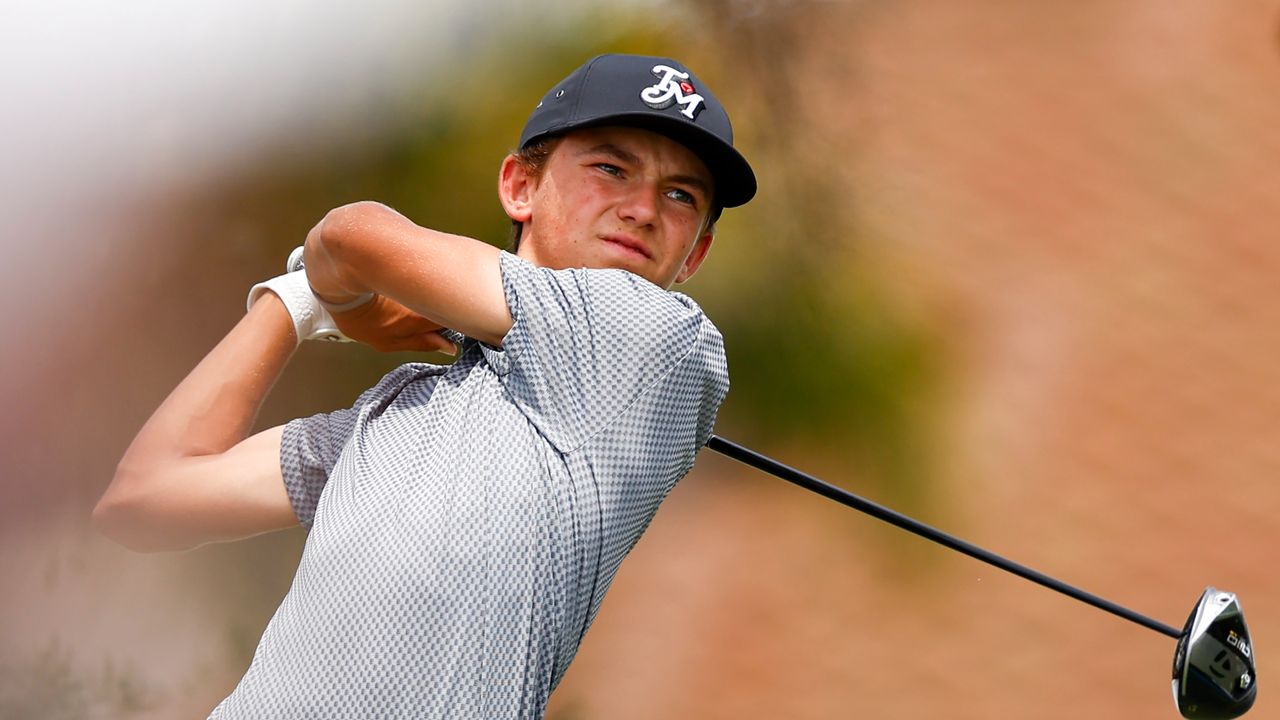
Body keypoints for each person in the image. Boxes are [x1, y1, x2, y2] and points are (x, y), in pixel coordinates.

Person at [93, 53, 756, 718]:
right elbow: (145, 498)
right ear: (520, 186)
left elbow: (351, 235)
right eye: (611, 168)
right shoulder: (397, 410)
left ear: (693, 254)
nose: (642, 209)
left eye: (680, 196)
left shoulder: (663, 338)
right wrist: (295, 303)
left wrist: (356, 306)